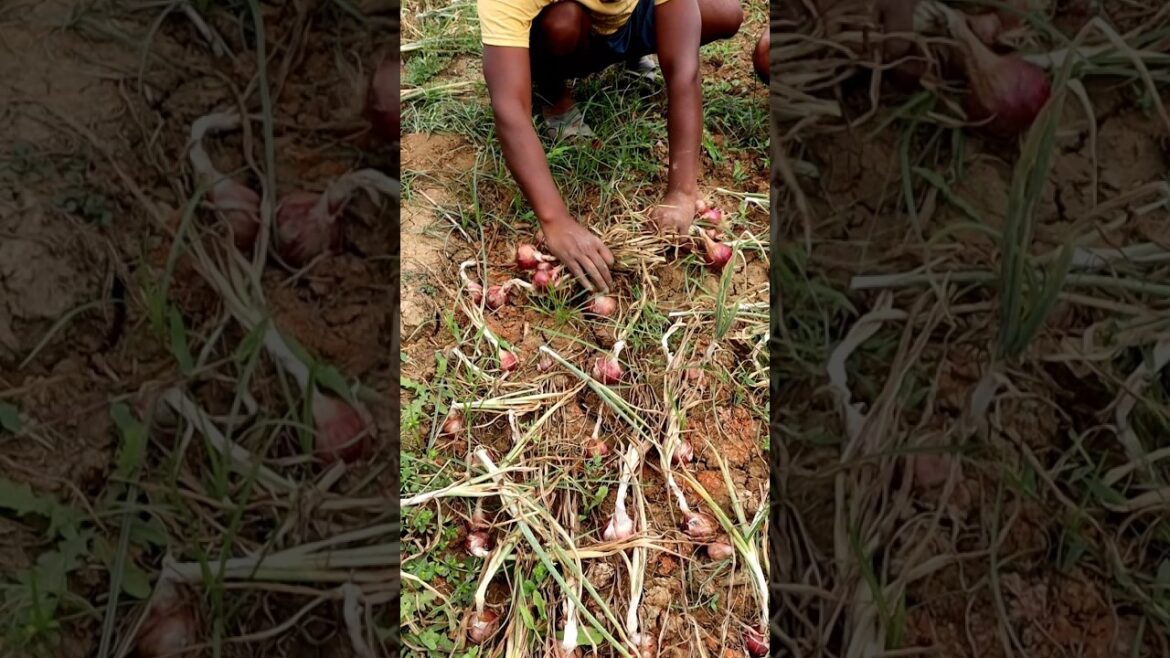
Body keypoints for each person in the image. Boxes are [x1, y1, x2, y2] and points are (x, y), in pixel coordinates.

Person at [478, 0, 766, 292]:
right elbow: (509, 108)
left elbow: (683, 71)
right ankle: (555, 94)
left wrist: (682, 191)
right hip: (570, 32)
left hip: (624, 19)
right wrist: (556, 220)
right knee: (561, 25)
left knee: (725, 14)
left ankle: (634, 51)